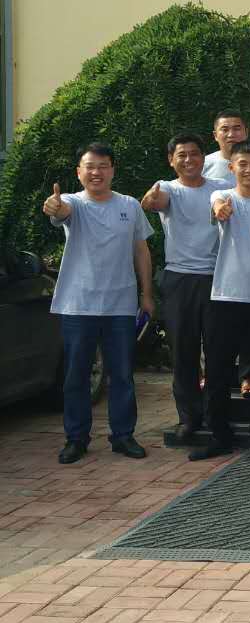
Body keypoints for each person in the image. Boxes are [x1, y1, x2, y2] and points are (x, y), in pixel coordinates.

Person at [45, 143, 154, 464]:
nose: (96, 172)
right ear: (79, 172)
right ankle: (76, 438)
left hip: (120, 305)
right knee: (76, 375)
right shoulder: (73, 203)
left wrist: (147, 294)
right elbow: (60, 211)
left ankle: (123, 436)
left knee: (122, 375)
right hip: (78, 305)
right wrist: (54, 207)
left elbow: (141, 250)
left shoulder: (129, 205)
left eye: (103, 166)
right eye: (90, 166)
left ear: (112, 170)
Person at [194, 142, 250, 460]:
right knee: (218, 370)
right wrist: (221, 209)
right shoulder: (222, 197)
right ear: (231, 168)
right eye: (242, 164)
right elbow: (217, 205)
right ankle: (219, 435)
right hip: (226, 296)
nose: (248, 169)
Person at [139, 134, 231, 443]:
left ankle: (217, 417)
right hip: (179, 278)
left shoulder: (220, 187)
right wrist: (150, 200)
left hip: (217, 277)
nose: (189, 160)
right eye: (182, 155)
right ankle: (188, 418)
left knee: (218, 352)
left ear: (204, 157)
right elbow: (153, 202)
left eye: (194, 154)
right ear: (171, 160)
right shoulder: (167, 187)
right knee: (183, 352)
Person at [203, 111, 248, 183]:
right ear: (215, 135)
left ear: (246, 133)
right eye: (225, 130)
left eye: (236, 129)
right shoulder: (203, 165)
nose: (231, 135)